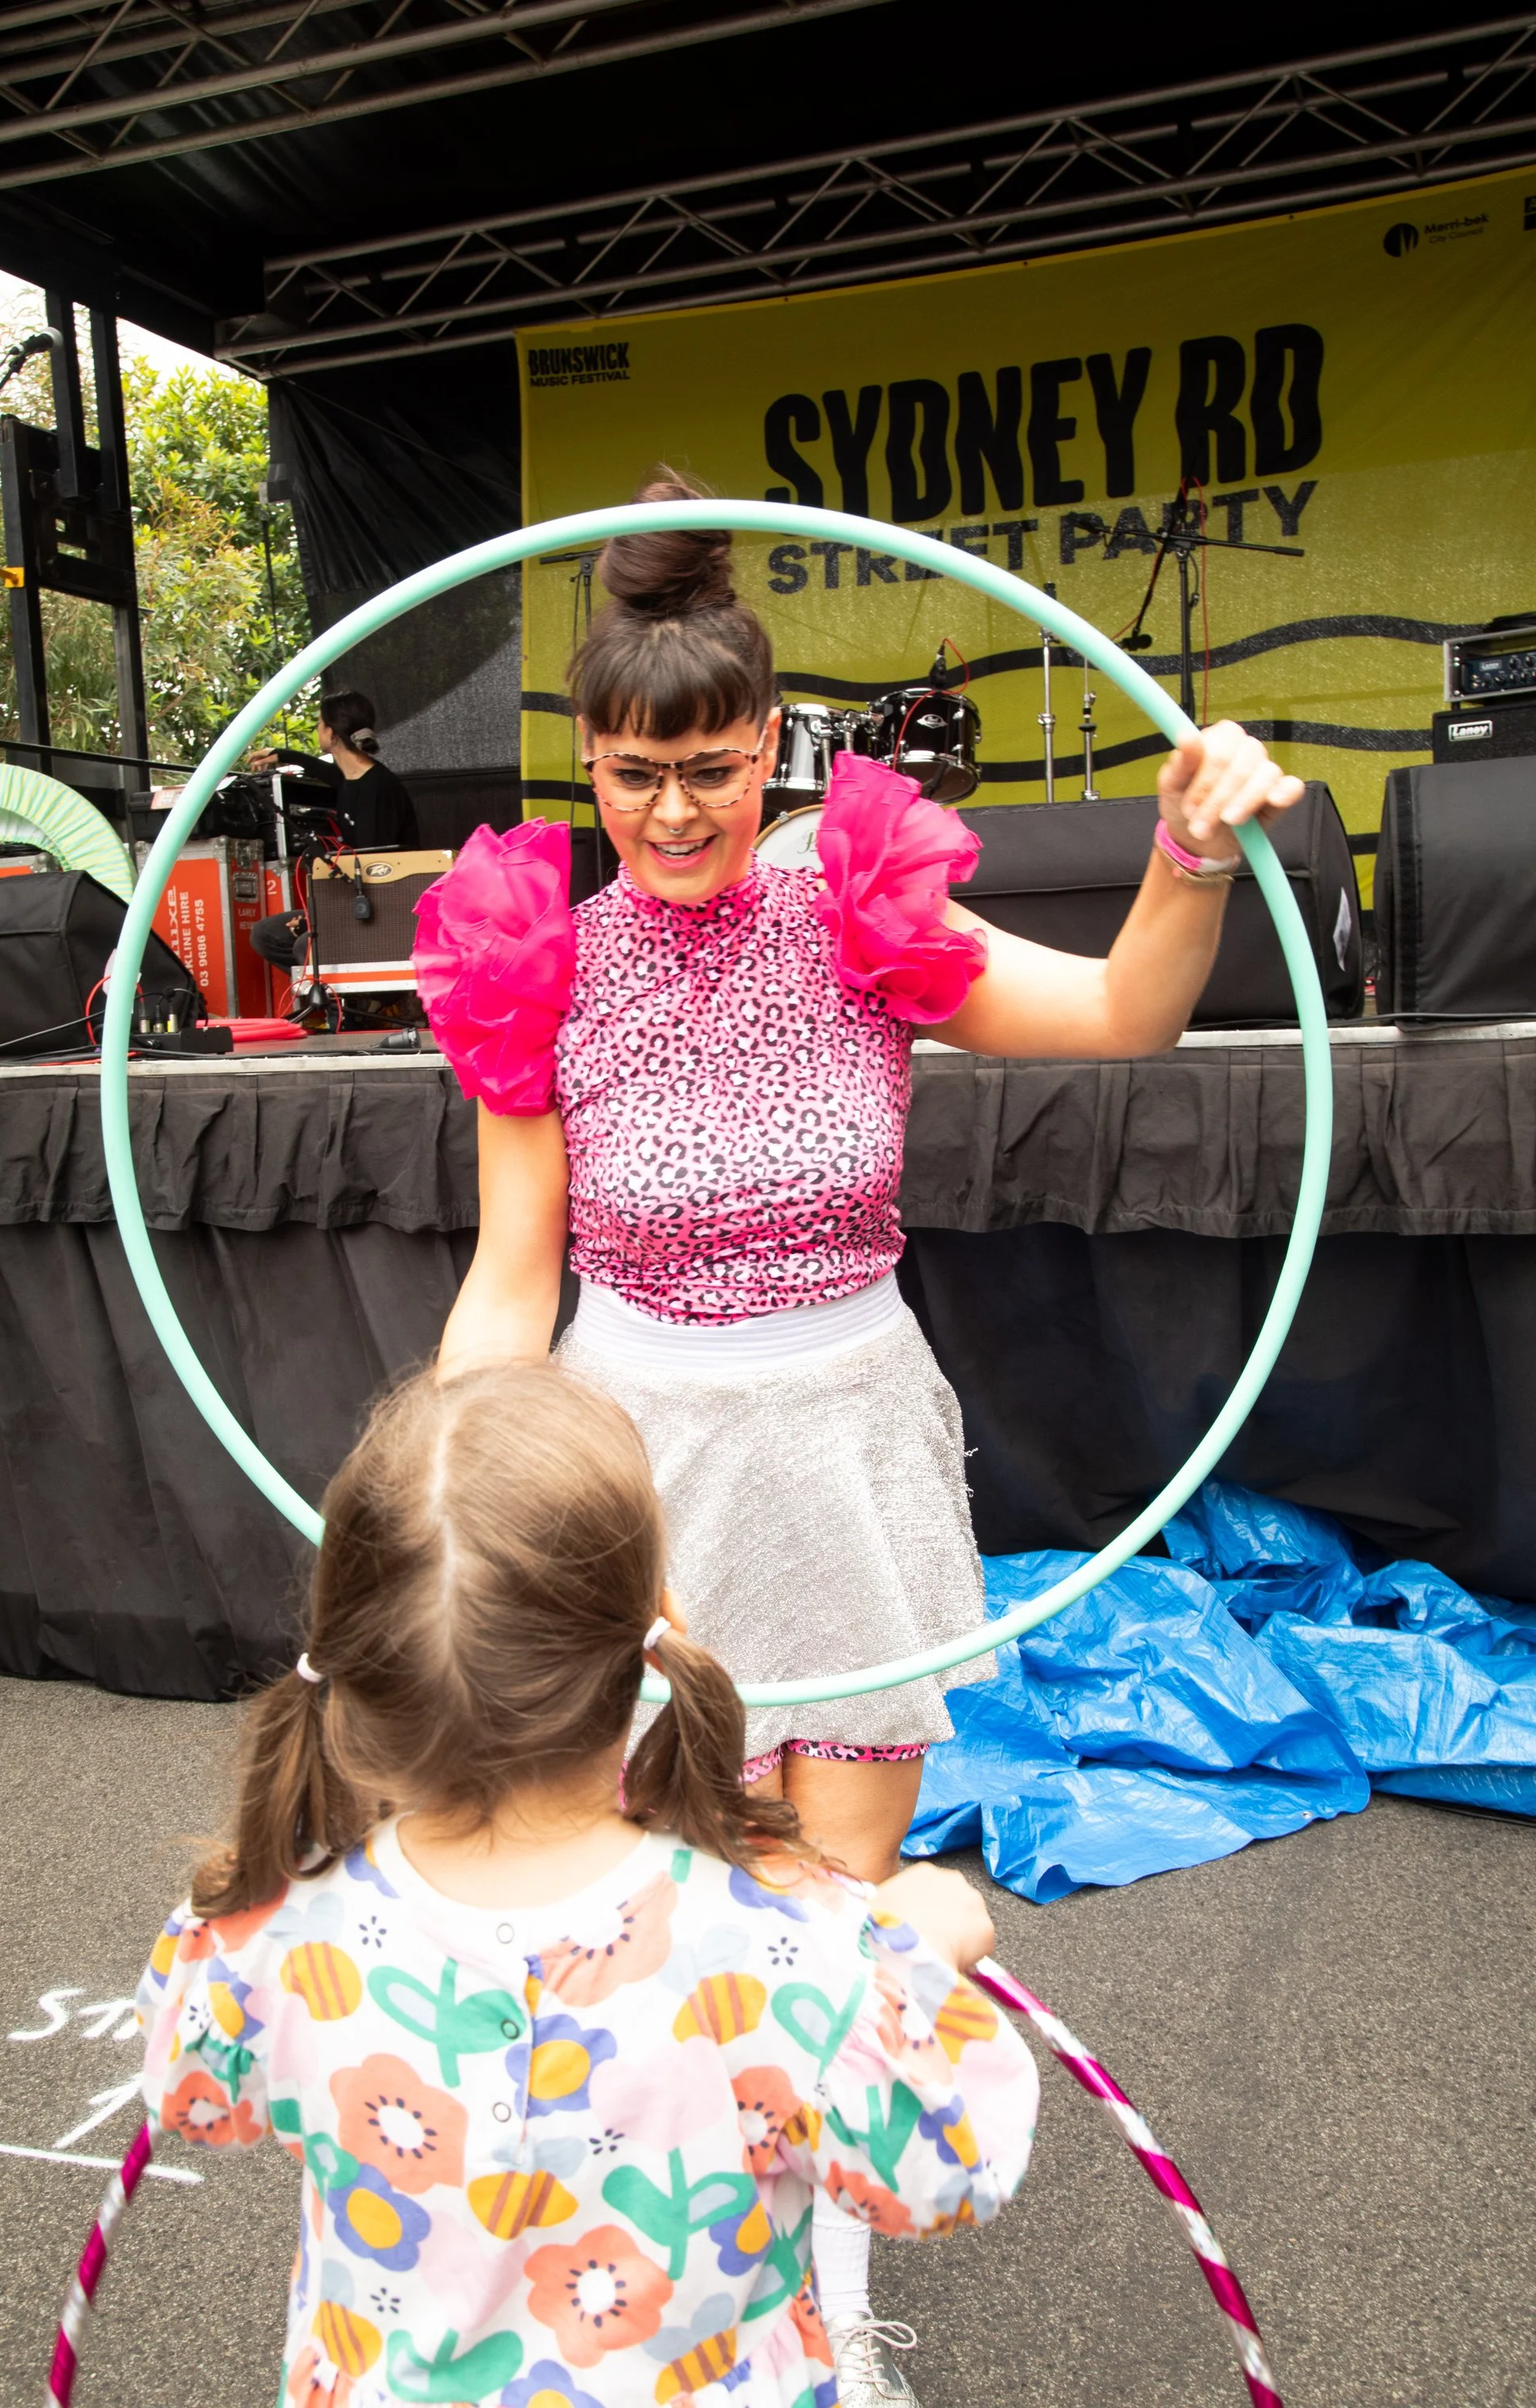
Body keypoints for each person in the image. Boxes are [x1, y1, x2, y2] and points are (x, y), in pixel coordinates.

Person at [413, 466, 1298, 2357]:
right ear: (586, 762)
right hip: (639, 1474)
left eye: (713, 768)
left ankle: (820, 2306)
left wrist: (1188, 848)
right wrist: (436, 1486)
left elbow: (1123, 1014)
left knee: (831, 1915)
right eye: (633, 774)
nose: (674, 812)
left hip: (850, 1456)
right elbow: (510, 1276)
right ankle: (644, 2282)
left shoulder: (854, 913)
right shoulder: (536, 964)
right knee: (649, 1922)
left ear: (772, 748)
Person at [138, 1362, 1039, 2408]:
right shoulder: (783, 1946)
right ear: (658, 1629)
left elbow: (195, 2101)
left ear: (345, 1658)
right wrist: (912, 1968)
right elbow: (945, 2177)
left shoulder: (273, 1934)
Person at [249, 689, 421, 973]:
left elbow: (375, 875)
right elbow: (324, 770)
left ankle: (350, 1001)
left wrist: (318, 918)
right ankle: (333, 995)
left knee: (305, 945)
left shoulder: (377, 791)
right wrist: (281, 755)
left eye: (319, 723)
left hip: (382, 908)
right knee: (265, 934)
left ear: (331, 733)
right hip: (355, 897)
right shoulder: (351, 777)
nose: (317, 728)